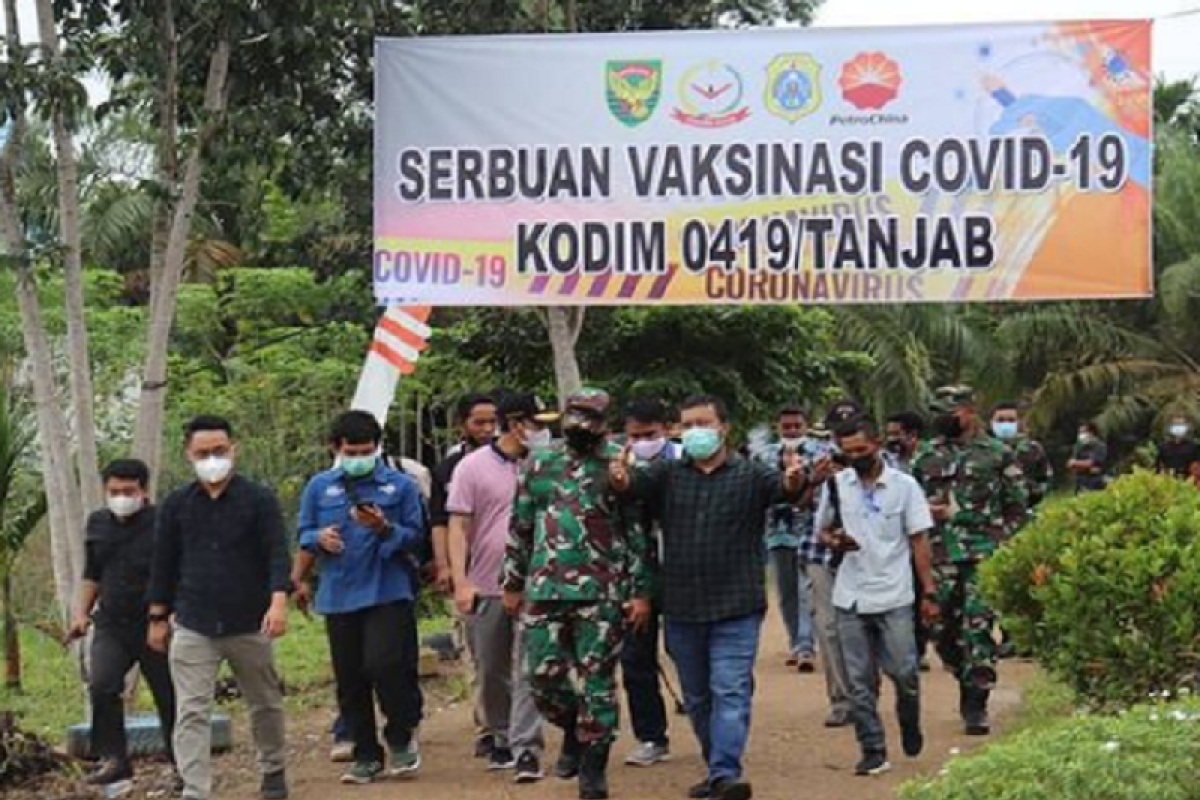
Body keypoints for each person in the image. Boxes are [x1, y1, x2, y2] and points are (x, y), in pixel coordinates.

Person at [610, 394, 804, 800]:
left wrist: (795, 479)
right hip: (682, 606)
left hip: (737, 605)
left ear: (724, 428)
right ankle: (717, 767)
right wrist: (621, 477)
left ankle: (725, 772)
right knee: (697, 696)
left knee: (730, 689)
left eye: (704, 422)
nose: (695, 431)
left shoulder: (751, 474)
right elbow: (631, 488)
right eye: (688, 424)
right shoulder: (665, 474)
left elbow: (786, 490)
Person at [504, 388, 651, 800]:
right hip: (544, 587)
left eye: (590, 416)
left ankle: (593, 766)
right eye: (575, 414)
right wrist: (512, 583)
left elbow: (637, 532)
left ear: (606, 422)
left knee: (597, 683)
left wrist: (640, 592)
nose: (581, 424)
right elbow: (521, 526)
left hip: (602, 591)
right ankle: (573, 728)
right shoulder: (540, 462)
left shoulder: (620, 460)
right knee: (542, 679)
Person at [147, 416, 291, 800]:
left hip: (250, 621)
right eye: (203, 453)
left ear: (234, 449)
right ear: (188, 455)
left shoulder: (259, 499)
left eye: (219, 451)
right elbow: (163, 562)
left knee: (264, 703)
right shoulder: (176, 505)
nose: (212, 459)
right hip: (193, 620)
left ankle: (273, 769)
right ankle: (195, 789)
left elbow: (277, 553)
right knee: (191, 711)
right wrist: (157, 617)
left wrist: (279, 602)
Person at [294, 411, 427, 785]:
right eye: (352, 450)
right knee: (350, 679)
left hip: (388, 589)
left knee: (386, 666)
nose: (359, 456)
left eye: (367, 450)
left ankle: (401, 734)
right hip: (339, 594)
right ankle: (365, 754)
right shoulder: (319, 488)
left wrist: (384, 528)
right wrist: (319, 539)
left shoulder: (399, 486)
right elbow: (303, 532)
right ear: (336, 449)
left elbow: (416, 536)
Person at [817, 418, 937, 777]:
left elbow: (919, 541)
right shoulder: (837, 486)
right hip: (850, 595)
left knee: (904, 672)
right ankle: (872, 748)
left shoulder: (905, 487)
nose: (856, 457)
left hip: (895, 593)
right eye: (848, 451)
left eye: (862, 450)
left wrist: (928, 591)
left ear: (878, 443)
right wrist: (835, 540)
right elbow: (822, 530)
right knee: (859, 680)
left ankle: (909, 717)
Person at [448, 392, 555, 781]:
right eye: (537, 424)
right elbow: (458, 527)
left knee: (530, 666)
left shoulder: (550, 465)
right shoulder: (471, 468)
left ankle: (527, 747)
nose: (544, 432)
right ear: (516, 424)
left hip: (539, 585)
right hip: (487, 583)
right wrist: (461, 581)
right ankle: (500, 733)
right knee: (491, 668)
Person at [911, 387, 1027, 736]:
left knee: (977, 628)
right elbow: (908, 505)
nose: (943, 418)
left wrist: (1003, 541)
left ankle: (976, 702)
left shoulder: (997, 454)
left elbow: (1018, 506)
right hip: (938, 556)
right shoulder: (926, 456)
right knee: (941, 630)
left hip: (983, 556)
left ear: (969, 411)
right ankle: (962, 672)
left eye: (950, 411)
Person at [67, 459, 177, 788]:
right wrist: (80, 613)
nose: (121, 497)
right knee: (102, 684)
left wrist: (166, 617)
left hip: (156, 623)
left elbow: (174, 571)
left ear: (143, 490)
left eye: (128, 491)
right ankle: (114, 758)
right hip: (112, 622)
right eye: (114, 491)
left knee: (169, 695)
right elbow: (92, 573)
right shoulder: (98, 523)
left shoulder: (163, 523)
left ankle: (181, 764)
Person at [428, 392, 500, 761]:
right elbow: (442, 523)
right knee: (479, 656)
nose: (488, 429)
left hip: (513, 573)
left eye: (493, 421)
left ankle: (515, 727)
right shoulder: (449, 469)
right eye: (479, 422)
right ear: (463, 425)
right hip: (469, 573)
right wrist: (446, 568)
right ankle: (487, 727)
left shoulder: (520, 462)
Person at [619, 398, 680, 768]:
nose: (643, 442)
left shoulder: (688, 462)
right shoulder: (620, 466)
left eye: (650, 435)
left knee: (687, 650)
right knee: (635, 658)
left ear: (668, 429)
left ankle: (712, 724)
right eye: (635, 436)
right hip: (635, 575)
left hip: (685, 572)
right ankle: (651, 736)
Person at [754, 405, 817, 673]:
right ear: (778, 427)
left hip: (809, 529)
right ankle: (795, 641)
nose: (792, 431)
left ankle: (806, 645)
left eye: (796, 426)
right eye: (787, 426)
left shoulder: (819, 452)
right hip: (776, 531)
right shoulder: (764, 455)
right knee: (786, 591)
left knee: (806, 589)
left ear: (806, 425)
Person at [989, 402, 1053, 508]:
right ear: (991, 423)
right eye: (1000, 420)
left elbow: (1045, 478)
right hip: (991, 513)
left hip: (1026, 510)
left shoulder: (1033, 448)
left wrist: (1034, 495)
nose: (1005, 424)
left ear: (1018, 422)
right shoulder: (982, 449)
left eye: (1011, 420)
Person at [1067, 422, 1108, 494]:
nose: (1081, 435)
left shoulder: (1100, 446)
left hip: (1096, 483)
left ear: (1091, 433)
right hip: (1080, 484)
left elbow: (1091, 463)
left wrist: (1076, 464)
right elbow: (1070, 465)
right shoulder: (1078, 447)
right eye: (1080, 433)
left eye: (1083, 432)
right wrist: (1084, 466)